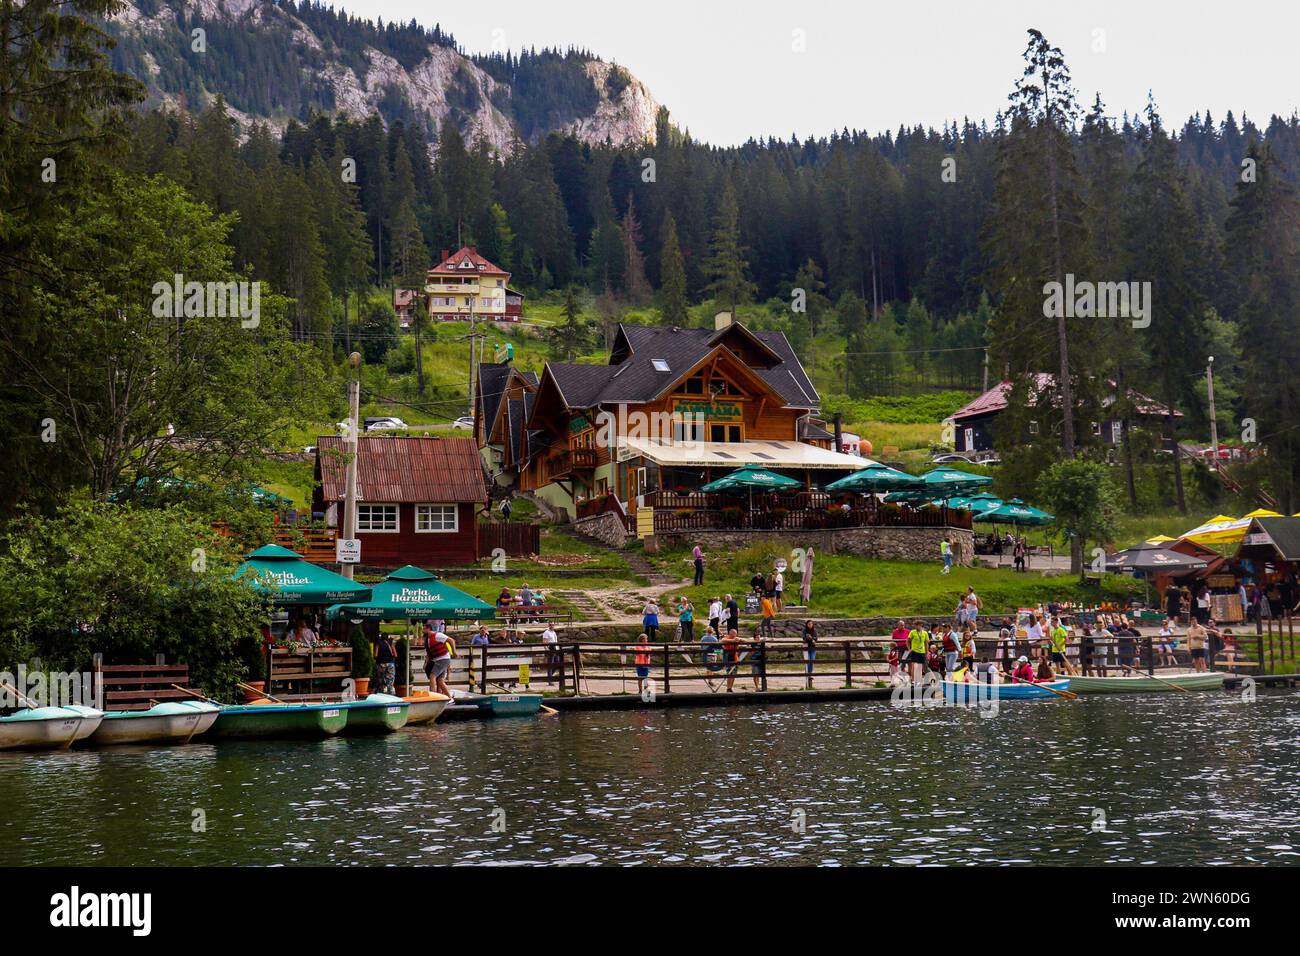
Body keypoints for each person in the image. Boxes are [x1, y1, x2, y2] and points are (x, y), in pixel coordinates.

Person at [425, 624, 455, 698]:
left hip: (443, 658)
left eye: (424, 629)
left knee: (432, 676)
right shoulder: (428, 639)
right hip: (438, 660)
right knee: (440, 680)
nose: (423, 630)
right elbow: (429, 653)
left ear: (428, 629)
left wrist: (454, 652)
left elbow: (451, 640)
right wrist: (426, 663)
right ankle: (449, 698)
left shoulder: (437, 635)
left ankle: (433, 696)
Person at [721, 628, 742, 692]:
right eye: (734, 634)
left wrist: (740, 639)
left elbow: (745, 640)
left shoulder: (736, 638)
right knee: (729, 673)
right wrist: (733, 640)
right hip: (728, 657)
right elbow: (722, 640)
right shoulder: (726, 638)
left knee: (734, 673)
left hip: (735, 657)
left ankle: (730, 687)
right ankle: (728, 688)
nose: (735, 636)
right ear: (730, 634)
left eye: (736, 634)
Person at [802, 620, 818, 688]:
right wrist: (810, 638)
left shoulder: (814, 631)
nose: (810, 625)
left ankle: (810, 674)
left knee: (812, 661)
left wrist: (813, 639)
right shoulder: (804, 631)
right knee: (807, 661)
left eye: (811, 624)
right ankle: (808, 675)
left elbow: (816, 638)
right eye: (809, 624)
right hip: (806, 648)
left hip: (813, 649)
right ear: (807, 624)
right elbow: (804, 638)